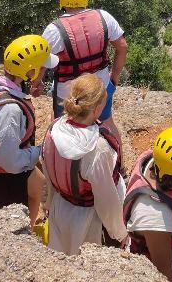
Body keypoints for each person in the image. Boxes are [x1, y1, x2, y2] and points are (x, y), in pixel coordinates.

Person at [0, 34, 59, 229]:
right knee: (15, 227)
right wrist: (41, 150)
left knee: (40, 184)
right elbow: (9, 162)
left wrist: (30, 86)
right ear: (30, 71)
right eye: (42, 68)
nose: (45, 71)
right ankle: (26, 233)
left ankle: (31, 226)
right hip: (3, 182)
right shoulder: (10, 111)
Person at [41, 72, 127, 255]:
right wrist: (120, 233)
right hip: (88, 220)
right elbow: (106, 199)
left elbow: (47, 170)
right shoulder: (98, 148)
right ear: (96, 109)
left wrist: (49, 203)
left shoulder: (53, 129)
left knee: (59, 260)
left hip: (59, 208)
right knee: (84, 264)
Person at [42, 0, 128, 141]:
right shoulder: (104, 17)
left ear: (62, 0)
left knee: (59, 126)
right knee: (107, 123)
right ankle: (118, 157)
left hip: (69, 94)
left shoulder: (54, 30)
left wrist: (36, 83)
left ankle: (58, 154)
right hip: (100, 87)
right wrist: (114, 78)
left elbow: (42, 63)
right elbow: (122, 46)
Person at [124, 126, 172, 282]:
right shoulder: (155, 214)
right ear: (167, 175)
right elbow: (163, 272)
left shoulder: (155, 161)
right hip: (164, 267)